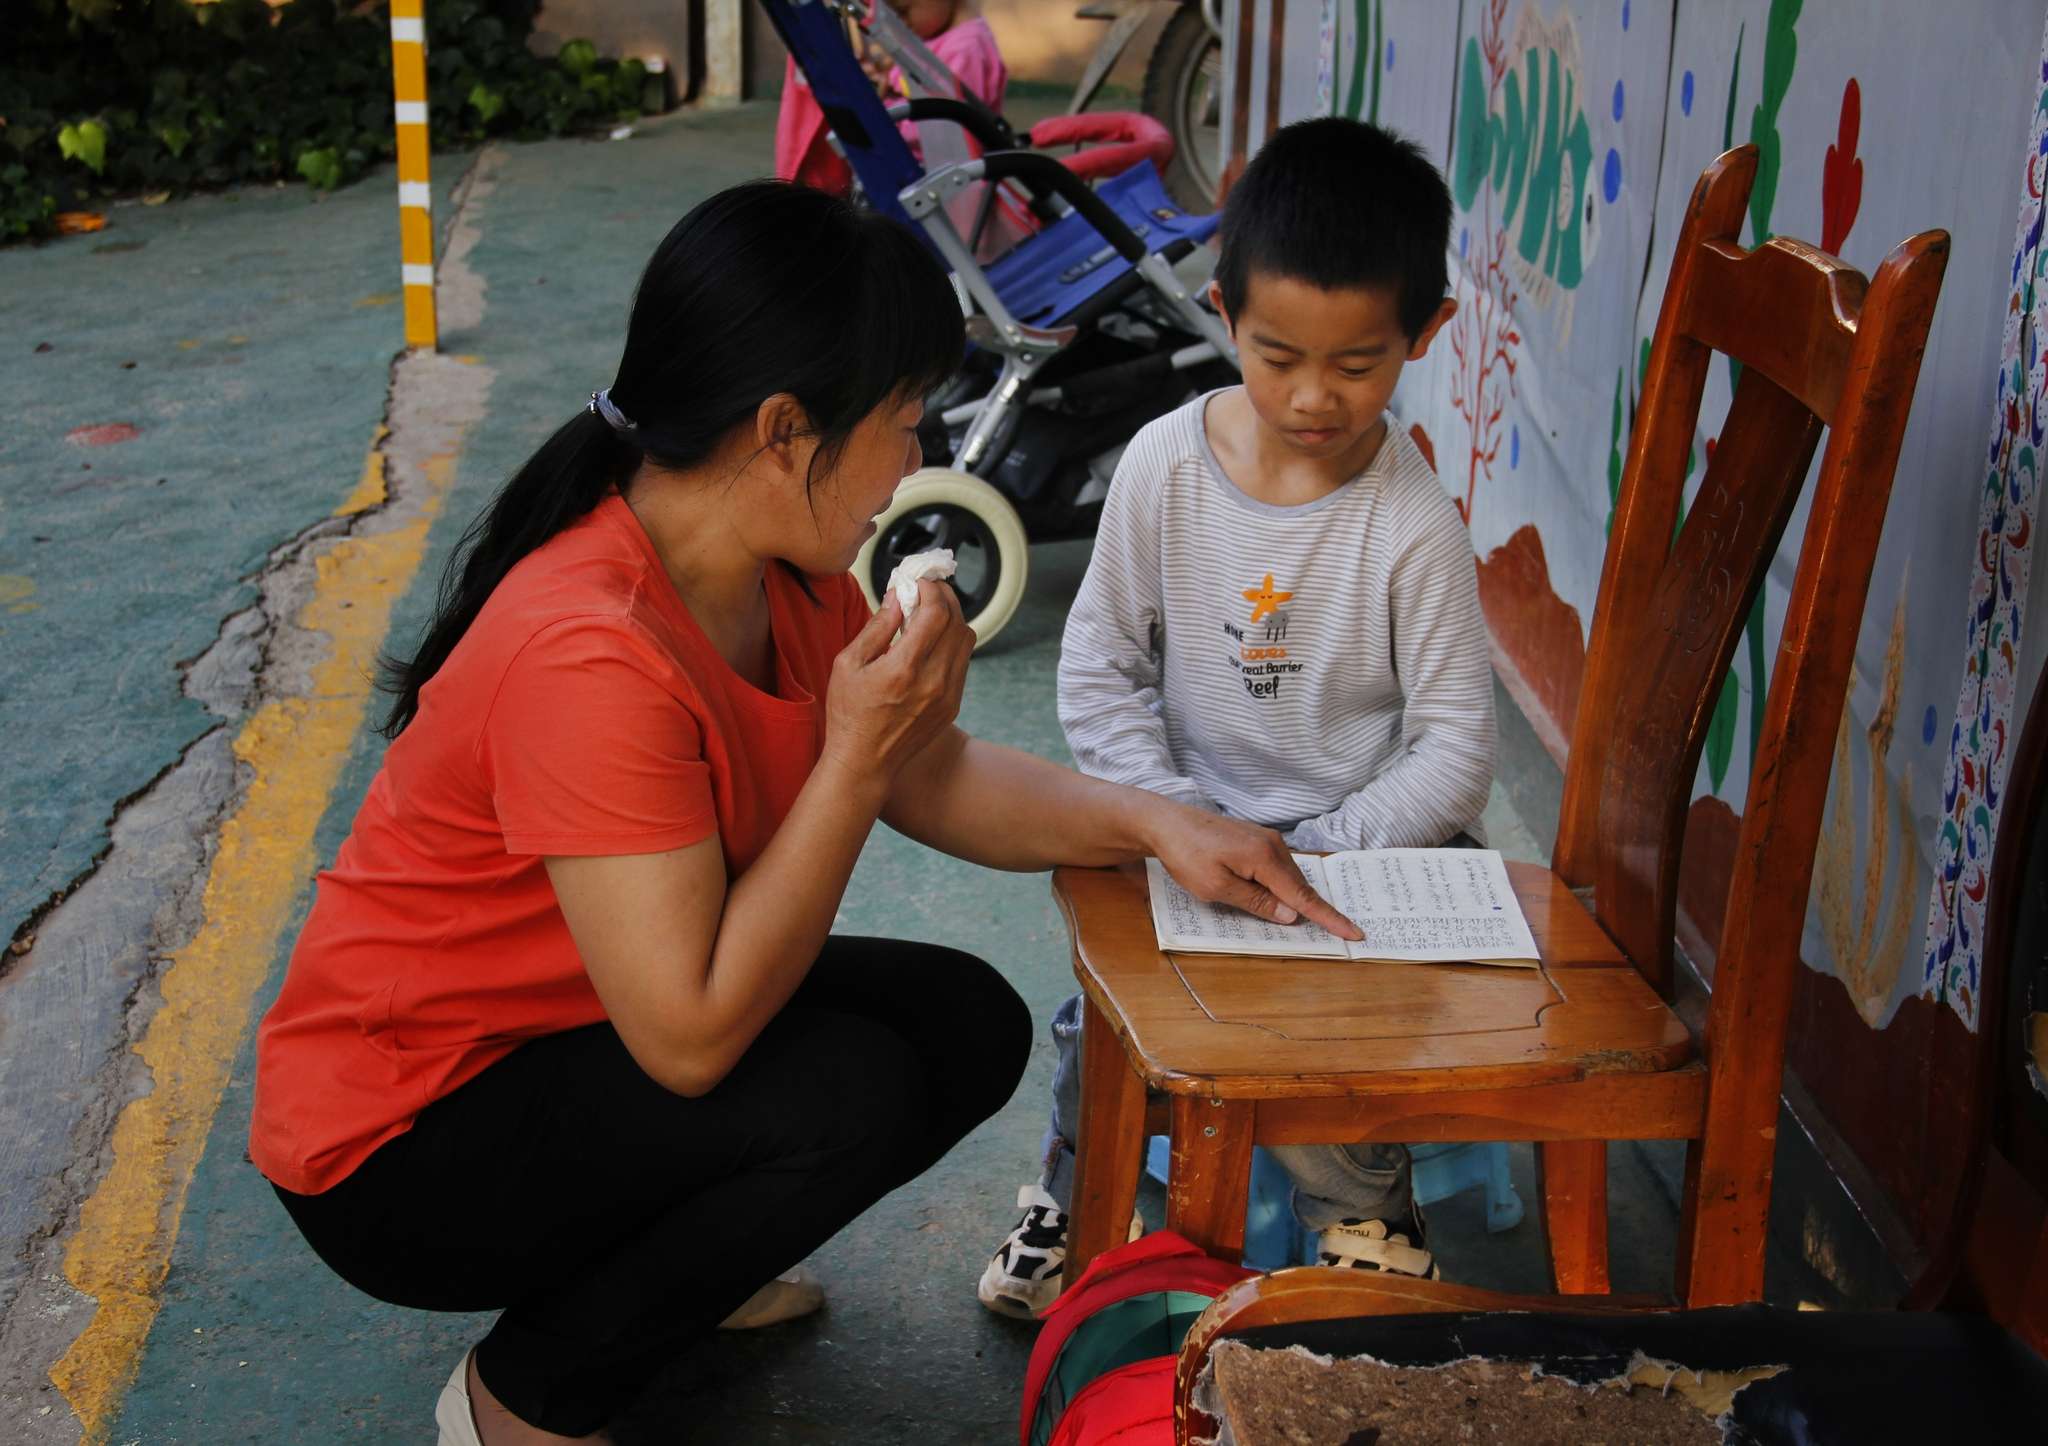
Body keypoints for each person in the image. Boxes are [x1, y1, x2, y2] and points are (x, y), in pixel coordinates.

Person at [249, 181, 1357, 1446]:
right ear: (783, 431)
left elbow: (930, 777)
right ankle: (527, 1398)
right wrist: (851, 755)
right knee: (848, 1093)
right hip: (404, 1142)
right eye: (900, 422)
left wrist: (1161, 824)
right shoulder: (588, 650)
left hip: (563, 1033)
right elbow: (689, 1039)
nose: (916, 462)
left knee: (959, 1022)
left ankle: (667, 1273)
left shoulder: (781, 571)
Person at [977, 118, 1495, 1319]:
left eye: (1358, 366)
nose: (1312, 396)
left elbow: (1456, 750)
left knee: (1315, 1029)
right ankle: (1072, 1188)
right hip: (1178, 833)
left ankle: (1362, 1220)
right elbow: (1100, 666)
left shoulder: (1408, 519)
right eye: (1274, 355)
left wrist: (1314, 854)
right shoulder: (1161, 465)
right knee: (1093, 1019)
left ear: (1426, 334)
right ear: (1219, 311)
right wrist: (1171, 819)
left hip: (1348, 854)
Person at [773, 0, 1007, 196]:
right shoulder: (934, 38)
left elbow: (944, 134)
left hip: (938, 181)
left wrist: (880, 115)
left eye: (903, 12)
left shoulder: (965, 49)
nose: (899, 24)